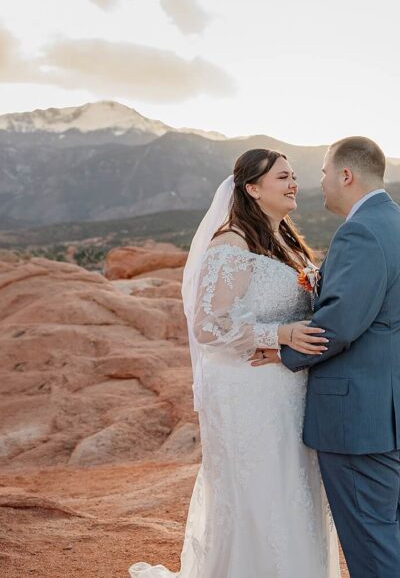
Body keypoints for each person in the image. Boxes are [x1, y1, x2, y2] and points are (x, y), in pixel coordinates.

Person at [129, 148, 339, 578]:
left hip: (286, 385)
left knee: (292, 485)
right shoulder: (231, 243)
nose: (294, 183)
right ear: (252, 188)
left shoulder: (287, 241)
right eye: (282, 177)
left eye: (294, 176)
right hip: (248, 388)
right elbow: (207, 326)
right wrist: (277, 334)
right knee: (260, 488)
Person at [253, 136, 400, 578]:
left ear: (346, 175)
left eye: (321, 172)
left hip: (359, 416)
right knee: (393, 528)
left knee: (372, 543)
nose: (317, 183)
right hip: (396, 406)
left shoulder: (362, 231)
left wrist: (281, 350)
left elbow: (338, 325)